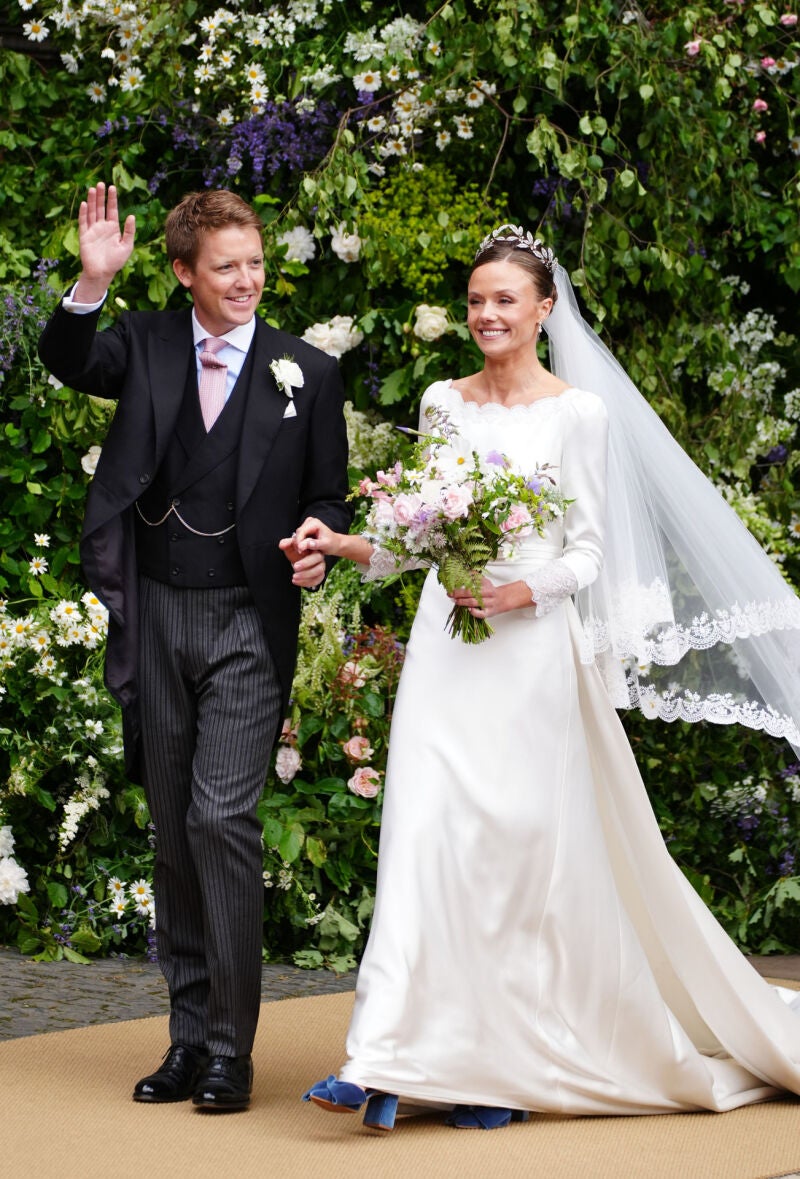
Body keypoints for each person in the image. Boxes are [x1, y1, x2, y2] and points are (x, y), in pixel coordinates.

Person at [294, 225, 800, 1133]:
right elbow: (418, 534)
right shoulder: (444, 402)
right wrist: (348, 545)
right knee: (422, 838)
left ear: (543, 310)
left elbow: (593, 549)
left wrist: (524, 588)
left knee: (515, 858)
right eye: (477, 299)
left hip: (528, 655)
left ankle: (502, 1069)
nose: (488, 314)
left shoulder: (579, 414)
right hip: (448, 648)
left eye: (505, 300)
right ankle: (380, 1056)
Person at [38, 183, 351, 1111]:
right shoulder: (144, 344)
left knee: (221, 819)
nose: (249, 279)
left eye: (256, 262)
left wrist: (316, 546)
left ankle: (231, 1048)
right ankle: (184, 1038)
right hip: (160, 611)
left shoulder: (308, 373)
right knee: (172, 830)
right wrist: (91, 282)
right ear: (183, 273)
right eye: (228, 267)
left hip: (251, 622)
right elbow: (67, 358)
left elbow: (329, 498)